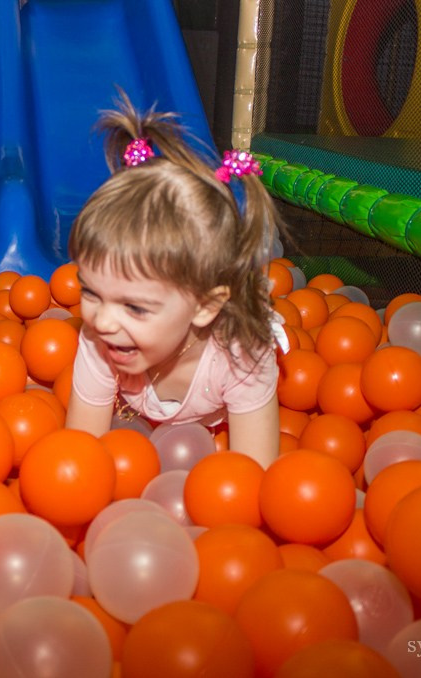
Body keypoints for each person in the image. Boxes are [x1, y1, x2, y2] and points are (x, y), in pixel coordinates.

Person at [65, 94, 286, 468]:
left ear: (205, 306)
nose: (101, 320)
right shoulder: (101, 341)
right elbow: (81, 459)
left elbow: (252, 475)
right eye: (91, 292)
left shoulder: (242, 356)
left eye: (135, 307)